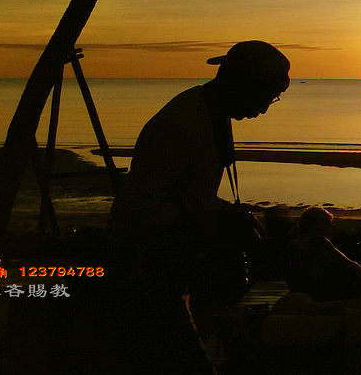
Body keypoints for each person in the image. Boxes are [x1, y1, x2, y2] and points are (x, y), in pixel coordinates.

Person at [109, 40, 290, 373]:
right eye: (265, 98)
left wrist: (224, 212)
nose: (263, 110)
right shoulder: (186, 124)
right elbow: (133, 208)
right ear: (241, 85)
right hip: (153, 274)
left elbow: (188, 194)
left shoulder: (208, 113)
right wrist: (211, 221)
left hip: (175, 271)